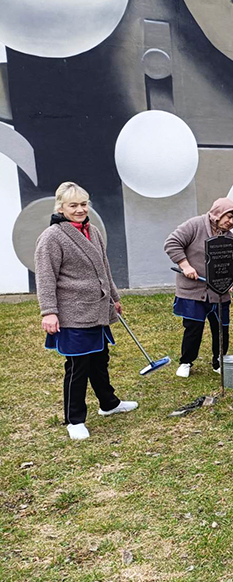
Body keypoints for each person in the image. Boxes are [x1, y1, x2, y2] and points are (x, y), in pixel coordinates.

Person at [35, 182, 138, 441]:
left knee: (100, 359)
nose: (80, 209)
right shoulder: (52, 237)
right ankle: (75, 420)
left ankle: (109, 404)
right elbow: (45, 277)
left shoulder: (93, 230)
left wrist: (114, 297)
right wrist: (49, 311)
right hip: (73, 312)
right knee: (78, 366)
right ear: (61, 207)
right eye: (73, 205)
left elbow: (104, 267)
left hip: (98, 309)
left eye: (83, 204)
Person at [164, 198, 233, 378]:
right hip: (193, 290)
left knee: (221, 328)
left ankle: (219, 361)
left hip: (219, 292)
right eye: (229, 217)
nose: (231, 222)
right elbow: (172, 243)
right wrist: (185, 266)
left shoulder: (229, 238)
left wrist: (231, 280)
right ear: (219, 213)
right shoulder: (195, 225)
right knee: (193, 327)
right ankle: (186, 362)